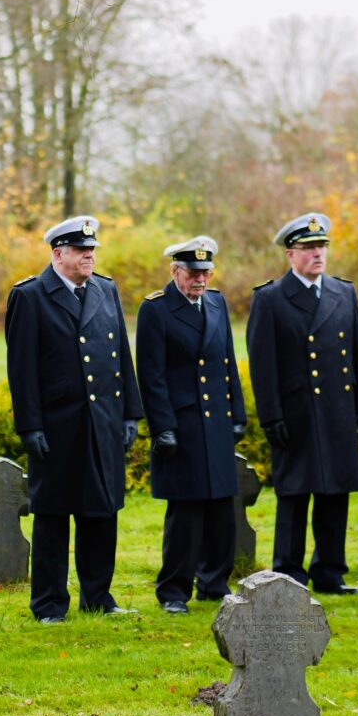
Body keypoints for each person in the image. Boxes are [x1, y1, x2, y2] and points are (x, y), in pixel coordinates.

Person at [5, 216, 143, 623]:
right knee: (53, 514)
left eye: (92, 249)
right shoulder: (31, 296)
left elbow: (121, 356)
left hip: (103, 420)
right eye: (81, 250)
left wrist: (131, 412)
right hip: (57, 424)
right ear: (57, 254)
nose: (89, 255)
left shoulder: (106, 289)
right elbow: (22, 369)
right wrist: (29, 426)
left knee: (102, 510)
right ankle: (49, 603)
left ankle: (98, 595)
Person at [246, 212, 358, 595]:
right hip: (296, 413)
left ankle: (330, 571)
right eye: (308, 248)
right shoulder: (270, 298)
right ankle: (288, 572)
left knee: (335, 492)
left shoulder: (343, 292)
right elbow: (262, 364)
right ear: (290, 254)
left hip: (338, 409)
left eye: (322, 247)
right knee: (295, 494)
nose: (318, 254)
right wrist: (270, 416)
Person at [135, 236, 246, 614]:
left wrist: (239, 414)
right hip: (181, 424)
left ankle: (214, 584)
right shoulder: (156, 309)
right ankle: (173, 591)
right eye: (192, 273)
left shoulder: (216, 303)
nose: (200, 280)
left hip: (216, 422)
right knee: (185, 513)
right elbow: (151, 374)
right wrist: (161, 426)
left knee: (221, 510)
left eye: (205, 273)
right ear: (175, 271)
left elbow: (227, 362)